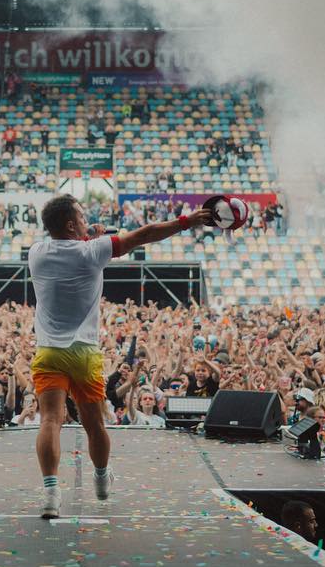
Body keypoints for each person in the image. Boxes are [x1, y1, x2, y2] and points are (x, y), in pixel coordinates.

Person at [27, 193, 210, 518]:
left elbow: (70, 240)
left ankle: (51, 495)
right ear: (71, 224)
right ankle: (100, 479)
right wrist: (186, 221)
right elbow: (145, 234)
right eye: (82, 217)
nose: (87, 220)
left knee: (50, 420)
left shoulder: (37, 253)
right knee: (94, 424)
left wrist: (87, 234)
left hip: (49, 351)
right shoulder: (92, 252)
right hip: (84, 353)